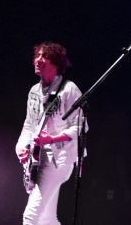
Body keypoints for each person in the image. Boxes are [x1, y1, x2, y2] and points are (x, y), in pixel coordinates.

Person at [16, 42, 84, 225]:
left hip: (59, 159)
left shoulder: (69, 89)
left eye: (44, 56)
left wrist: (53, 139)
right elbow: (29, 125)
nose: (38, 60)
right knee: (47, 219)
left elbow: (80, 127)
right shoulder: (34, 91)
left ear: (56, 63)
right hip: (37, 160)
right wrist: (21, 148)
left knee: (30, 217)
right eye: (37, 56)